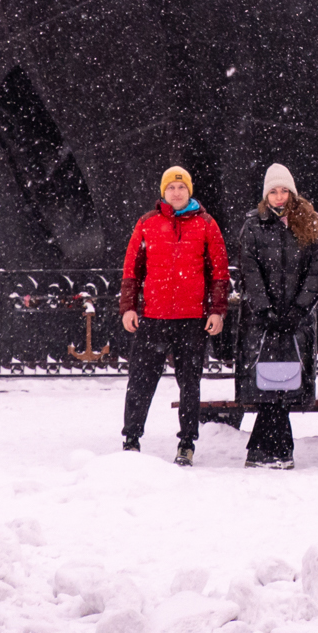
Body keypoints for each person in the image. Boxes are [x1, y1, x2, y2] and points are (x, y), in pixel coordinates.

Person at [119, 165, 229, 466]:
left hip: (191, 318)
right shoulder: (147, 223)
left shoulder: (206, 224)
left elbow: (219, 273)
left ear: (189, 190)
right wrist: (128, 306)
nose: (176, 192)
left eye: (181, 187)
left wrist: (217, 311)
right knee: (140, 381)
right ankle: (131, 439)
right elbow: (132, 270)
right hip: (153, 317)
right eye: (171, 187)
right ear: (163, 191)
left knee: (190, 384)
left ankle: (186, 443)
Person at [236, 163, 318, 469]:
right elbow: (250, 271)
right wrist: (266, 309)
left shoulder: (310, 224)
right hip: (265, 322)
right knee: (270, 385)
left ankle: (265, 450)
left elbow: (316, 271)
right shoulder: (253, 226)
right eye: (273, 190)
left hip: (296, 321)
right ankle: (277, 450)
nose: (278, 196)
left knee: (284, 385)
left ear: (292, 192)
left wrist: (298, 309)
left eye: (283, 190)